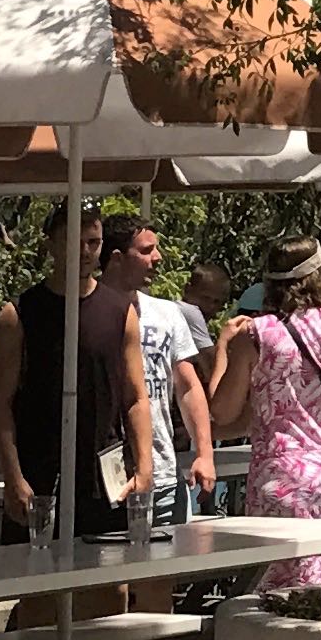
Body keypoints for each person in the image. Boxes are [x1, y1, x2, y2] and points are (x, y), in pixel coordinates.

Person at [209, 239, 321, 591]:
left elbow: (221, 412)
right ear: (317, 276)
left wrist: (223, 346)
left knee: (271, 587)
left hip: (279, 476)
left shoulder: (256, 335)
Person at [0, 207, 143, 545]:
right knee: (33, 573)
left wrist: (144, 467)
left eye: (93, 242)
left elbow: (135, 398)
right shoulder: (19, 314)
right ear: (52, 245)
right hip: (38, 476)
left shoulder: (121, 312)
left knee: (110, 573)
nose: (85, 251)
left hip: (105, 476)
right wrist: (12, 477)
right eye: (74, 241)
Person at [86, 212, 214, 529]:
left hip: (164, 475)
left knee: (169, 559)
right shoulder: (86, 314)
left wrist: (204, 453)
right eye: (146, 251)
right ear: (116, 258)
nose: (158, 258)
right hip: (108, 478)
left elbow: (188, 386)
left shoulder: (167, 313)